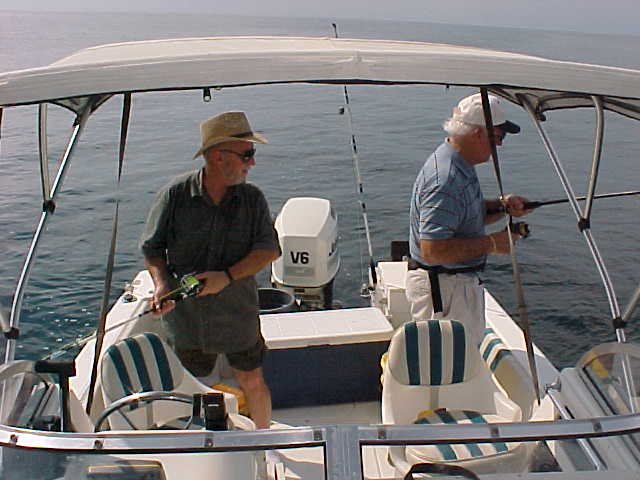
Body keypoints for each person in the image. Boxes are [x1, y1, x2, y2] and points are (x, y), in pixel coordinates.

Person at [140, 111, 281, 429]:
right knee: (190, 387)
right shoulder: (175, 196)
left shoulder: (252, 199)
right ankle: (200, 446)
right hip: (187, 321)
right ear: (218, 156)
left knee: (252, 380)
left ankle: (264, 442)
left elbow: (269, 250)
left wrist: (226, 277)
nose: (252, 163)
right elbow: (152, 248)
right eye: (247, 154)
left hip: (237, 316)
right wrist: (161, 284)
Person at [406, 93, 531, 346]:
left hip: (452, 288)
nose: (500, 145)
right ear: (478, 134)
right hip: (446, 293)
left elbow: (461, 214)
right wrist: (493, 244)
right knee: (448, 363)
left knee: (457, 360)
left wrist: (502, 206)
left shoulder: (458, 164)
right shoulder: (445, 179)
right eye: (499, 137)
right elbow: (432, 250)